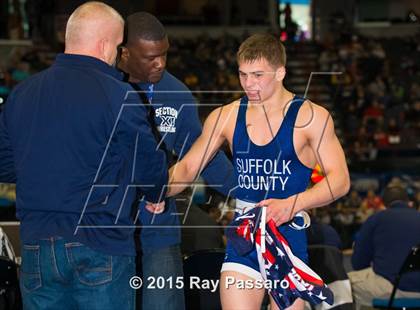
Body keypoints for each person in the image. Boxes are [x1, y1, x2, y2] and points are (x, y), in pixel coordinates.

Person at [0, 2, 168, 309]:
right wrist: (155, 192)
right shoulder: (119, 95)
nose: (118, 57)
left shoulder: (22, 94)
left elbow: (6, 165)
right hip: (100, 243)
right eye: (118, 47)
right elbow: (148, 163)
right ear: (105, 45)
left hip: (37, 245)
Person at [165, 33, 350, 310]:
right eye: (243, 74)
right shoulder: (226, 115)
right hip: (244, 240)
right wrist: (153, 190)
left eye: (258, 75)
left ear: (280, 72)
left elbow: (340, 180)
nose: (249, 84)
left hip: (287, 240)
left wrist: (293, 204)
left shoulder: (311, 117)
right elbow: (190, 165)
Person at [117, 12, 235, 310]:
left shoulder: (176, 93)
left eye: (164, 54)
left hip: (158, 230)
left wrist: (246, 190)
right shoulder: (104, 88)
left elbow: (203, 154)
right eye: (150, 57)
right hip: (109, 230)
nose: (161, 63)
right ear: (124, 53)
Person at [348, 185, 420, 309]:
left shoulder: (376, 219)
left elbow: (358, 263)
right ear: (408, 201)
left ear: (384, 203)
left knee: (344, 284)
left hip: (393, 288)